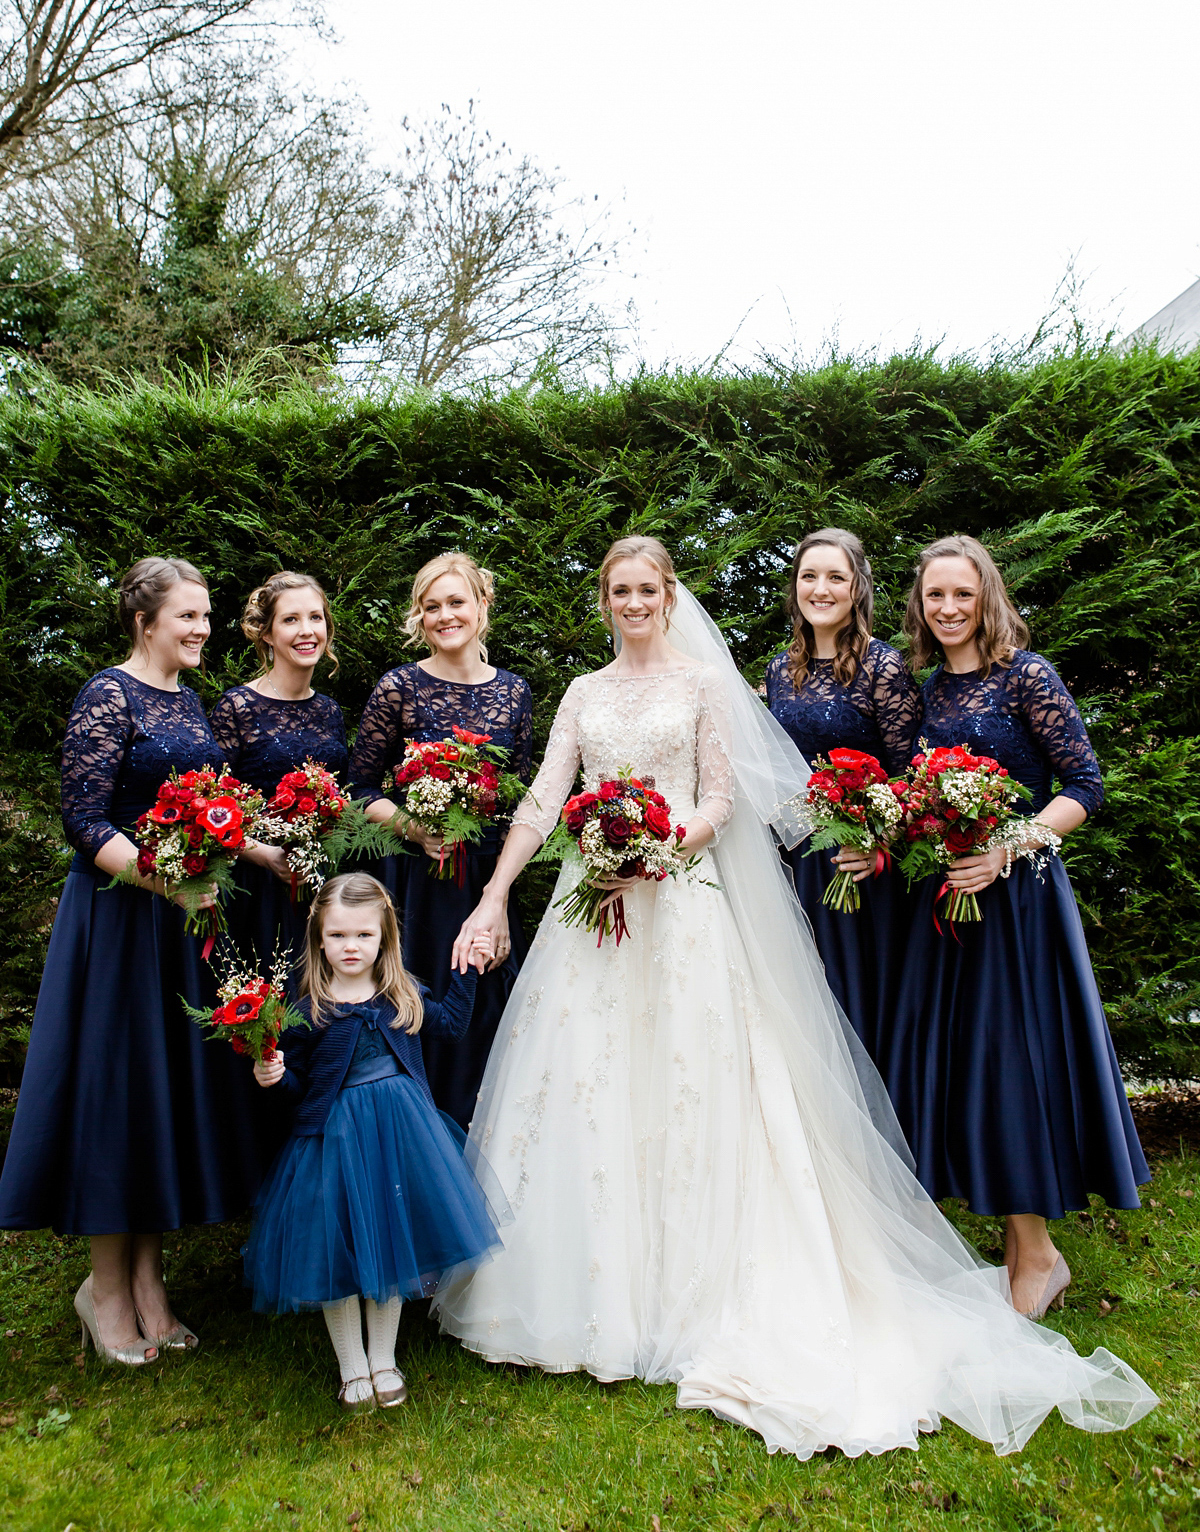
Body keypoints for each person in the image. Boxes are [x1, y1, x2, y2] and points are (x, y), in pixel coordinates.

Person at [433, 535, 1156, 1459]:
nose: (633, 602)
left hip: (683, 898)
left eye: (647, 588)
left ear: (669, 594)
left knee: (704, 1082)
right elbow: (542, 800)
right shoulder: (583, 692)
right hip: (593, 911)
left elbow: (725, 799)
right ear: (604, 600)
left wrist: (657, 850)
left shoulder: (707, 685)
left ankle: (715, 1281)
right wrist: (496, 896)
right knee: (583, 1087)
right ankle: (581, 1290)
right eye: (618, 590)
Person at [879, 535, 1150, 1319]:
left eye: (962, 594)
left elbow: (1085, 784)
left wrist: (1004, 847)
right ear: (921, 606)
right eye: (936, 596)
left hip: (1019, 900)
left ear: (986, 596)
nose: (949, 608)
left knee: (1012, 1066)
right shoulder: (927, 691)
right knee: (961, 1066)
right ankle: (1012, 1243)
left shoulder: (1026, 676)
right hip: (949, 903)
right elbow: (915, 794)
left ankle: (1035, 1253)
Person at [0, 558, 261, 1363]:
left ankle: (149, 1281)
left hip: (180, 926)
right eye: (188, 616)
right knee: (118, 1093)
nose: (202, 630)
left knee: (161, 1095)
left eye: (208, 617)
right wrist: (166, 885)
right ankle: (104, 1289)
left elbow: (211, 810)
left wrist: (248, 857)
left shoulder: (186, 702)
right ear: (144, 620)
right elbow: (82, 817)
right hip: (118, 922)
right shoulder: (106, 694)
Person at [244, 872, 502, 1410]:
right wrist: (273, 1074)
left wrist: (471, 969)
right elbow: (296, 1085)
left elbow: (452, 1025)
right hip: (332, 1138)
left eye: (363, 935)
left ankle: (384, 1359)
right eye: (338, 935)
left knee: (390, 1242)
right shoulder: (308, 1007)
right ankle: (351, 1365)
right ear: (318, 938)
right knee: (336, 1249)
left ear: (384, 937)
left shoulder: (398, 995)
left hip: (402, 1132)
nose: (351, 946)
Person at [349, 554, 533, 1129]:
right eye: (432, 606)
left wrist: (499, 897)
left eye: (457, 602)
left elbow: (520, 800)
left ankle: (472, 1156)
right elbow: (358, 787)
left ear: (483, 606)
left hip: (483, 878)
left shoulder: (513, 692)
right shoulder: (398, 687)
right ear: (419, 617)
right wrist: (411, 826)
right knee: (412, 1010)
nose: (445, 615)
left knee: (480, 1015)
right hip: (413, 886)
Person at [764, 528, 921, 1061]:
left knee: (857, 1000)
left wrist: (875, 838)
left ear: (857, 589)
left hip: (861, 861)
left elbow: (908, 776)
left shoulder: (884, 666)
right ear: (796, 588)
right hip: (796, 859)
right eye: (810, 576)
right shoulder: (780, 670)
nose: (821, 589)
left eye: (836, 577)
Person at [210, 572, 348, 984]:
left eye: (315, 618)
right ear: (266, 633)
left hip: (318, 882)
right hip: (254, 885)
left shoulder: (330, 712)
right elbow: (213, 806)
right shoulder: (238, 707)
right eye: (290, 620)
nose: (307, 631)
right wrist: (263, 853)